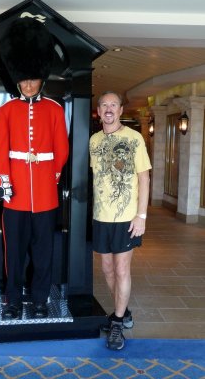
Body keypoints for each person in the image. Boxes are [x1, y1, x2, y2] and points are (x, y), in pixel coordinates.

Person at [0, 16, 69, 320]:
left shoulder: (54, 109)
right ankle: (12, 299)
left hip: (46, 197)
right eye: (22, 79)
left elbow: (61, 150)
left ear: (41, 77)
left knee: (43, 252)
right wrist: (4, 185)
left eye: (31, 79)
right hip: (16, 195)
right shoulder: (6, 110)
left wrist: (51, 177)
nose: (26, 84)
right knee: (14, 252)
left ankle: (39, 298)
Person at [89, 91, 151, 350]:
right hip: (101, 216)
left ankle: (116, 322)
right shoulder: (94, 140)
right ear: (99, 111)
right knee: (106, 268)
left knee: (122, 268)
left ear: (121, 110)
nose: (109, 108)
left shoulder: (135, 139)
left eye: (114, 104)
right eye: (104, 105)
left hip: (127, 217)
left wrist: (142, 216)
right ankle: (122, 312)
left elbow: (144, 178)